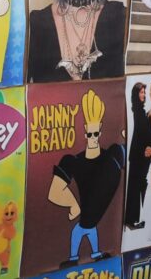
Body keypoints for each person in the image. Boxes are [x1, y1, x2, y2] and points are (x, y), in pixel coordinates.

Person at [48, 90, 124, 268]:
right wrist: (72, 204)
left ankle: (89, 255)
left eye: (96, 134)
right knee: (85, 229)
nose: (93, 139)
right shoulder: (74, 161)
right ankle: (80, 256)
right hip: (87, 214)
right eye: (90, 134)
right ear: (85, 134)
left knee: (86, 229)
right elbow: (54, 192)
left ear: (100, 132)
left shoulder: (112, 156)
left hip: (92, 216)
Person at [125, 80, 151, 229]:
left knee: (138, 184)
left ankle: (135, 219)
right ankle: (135, 219)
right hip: (140, 153)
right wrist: (150, 147)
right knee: (138, 184)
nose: (146, 94)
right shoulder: (140, 110)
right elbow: (144, 131)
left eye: (149, 90)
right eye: (142, 92)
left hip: (141, 153)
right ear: (136, 95)